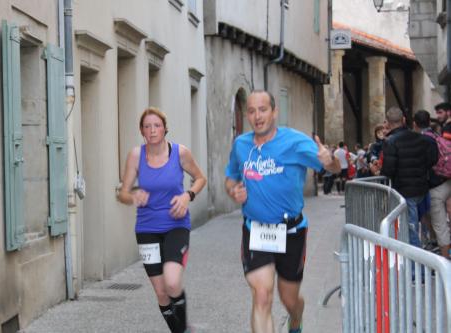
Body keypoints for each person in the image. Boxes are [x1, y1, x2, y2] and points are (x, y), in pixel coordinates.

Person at [224, 90, 341, 333]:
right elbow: (231, 178)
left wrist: (329, 160)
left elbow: (334, 168)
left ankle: (296, 321)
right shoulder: (241, 145)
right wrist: (234, 189)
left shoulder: (295, 142)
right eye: (252, 111)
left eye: (263, 110)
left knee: (290, 300)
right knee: (262, 294)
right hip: (255, 229)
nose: (257, 116)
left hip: (292, 231)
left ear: (274, 112)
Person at [117, 107, 206, 333]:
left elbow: (200, 178)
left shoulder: (180, 153)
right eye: (147, 126)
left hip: (176, 225)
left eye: (157, 125)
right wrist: (133, 195)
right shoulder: (136, 156)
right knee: (161, 293)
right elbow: (122, 193)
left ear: (165, 128)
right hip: (147, 229)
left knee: (173, 282)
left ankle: (183, 329)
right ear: (142, 131)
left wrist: (188, 196)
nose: (152, 130)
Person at [381, 107, 437, 248]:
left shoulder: (391, 142)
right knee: (420, 223)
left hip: (405, 190)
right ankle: (425, 249)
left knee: (411, 228)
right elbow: (432, 160)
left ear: (387, 123)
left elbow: (388, 170)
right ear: (404, 120)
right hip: (422, 188)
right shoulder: (421, 138)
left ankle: (415, 265)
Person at [414, 110, 450, 258]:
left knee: (440, 225)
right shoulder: (437, 137)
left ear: (415, 124)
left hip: (435, 187)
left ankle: (445, 262)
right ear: (429, 122)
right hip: (447, 180)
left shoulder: (420, 140)